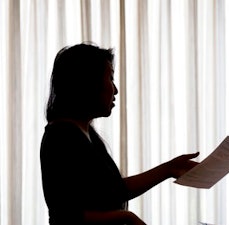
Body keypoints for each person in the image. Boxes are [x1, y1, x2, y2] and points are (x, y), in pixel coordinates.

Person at [40, 43, 199, 225]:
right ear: (88, 82)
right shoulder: (61, 137)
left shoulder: (82, 133)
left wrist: (169, 169)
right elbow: (66, 215)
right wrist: (126, 216)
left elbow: (113, 191)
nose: (115, 90)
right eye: (110, 78)